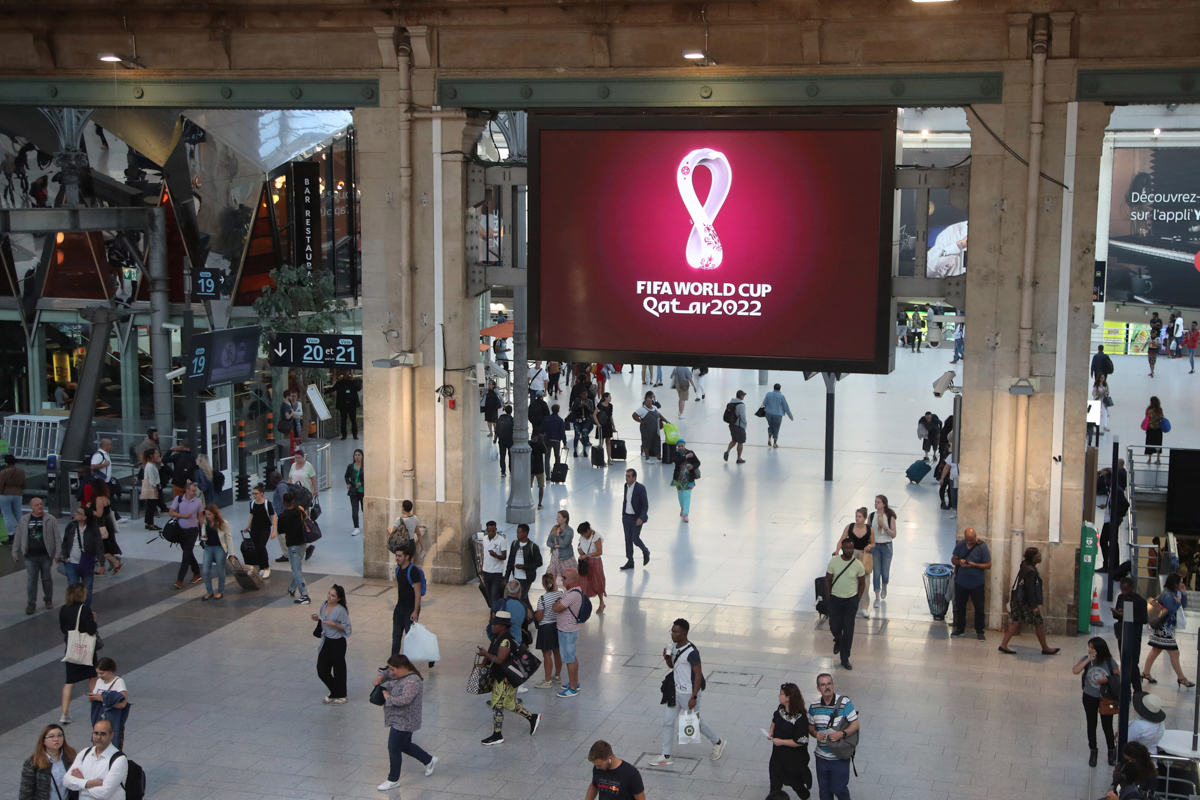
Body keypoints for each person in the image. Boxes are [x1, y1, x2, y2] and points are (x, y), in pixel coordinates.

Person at [649, 618, 725, 766]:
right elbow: (672, 666)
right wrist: (667, 658)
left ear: (684, 633)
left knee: (695, 722)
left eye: (676, 632)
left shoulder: (692, 652)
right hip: (675, 692)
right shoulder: (674, 647)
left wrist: (694, 696)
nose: (673, 634)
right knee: (668, 722)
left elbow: (698, 674)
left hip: (689, 693)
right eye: (672, 631)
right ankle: (666, 755)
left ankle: (718, 742)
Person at [373, 654, 437, 792]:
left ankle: (393, 779)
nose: (391, 673)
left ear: (401, 667)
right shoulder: (400, 674)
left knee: (394, 748)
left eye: (393, 669)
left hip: (405, 721)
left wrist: (388, 697)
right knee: (404, 745)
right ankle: (429, 760)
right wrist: (380, 677)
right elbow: (387, 674)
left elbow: (404, 700)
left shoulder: (412, 682)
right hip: (400, 719)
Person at [477, 610, 542, 745]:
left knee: (497, 705)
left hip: (505, 679)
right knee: (509, 704)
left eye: (494, 624)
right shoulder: (497, 637)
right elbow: (492, 654)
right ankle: (532, 718)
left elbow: (499, 659)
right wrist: (483, 663)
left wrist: (484, 654)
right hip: (504, 677)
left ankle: (497, 735)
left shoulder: (506, 641)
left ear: (502, 627)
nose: (492, 626)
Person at [998, 547, 1060, 655]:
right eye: (1038, 556)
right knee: (1039, 623)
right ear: (1033, 558)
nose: (1041, 557)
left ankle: (1004, 645)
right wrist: (1034, 607)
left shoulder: (1024, 564)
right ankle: (1045, 648)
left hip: (1017, 599)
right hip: (1026, 602)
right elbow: (1030, 590)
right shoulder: (1031, 571)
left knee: (1015, 622)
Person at [808, 673, 859, 800]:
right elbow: (810, 727)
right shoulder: (814, 706)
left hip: (839, 756)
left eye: (829, 684)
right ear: (818, 688)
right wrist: (815, 734)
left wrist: (842, 733)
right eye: (823, 685)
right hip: (821, 757)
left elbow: (855, 724)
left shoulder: (845, 703)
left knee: (839, 789)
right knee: (824, 791)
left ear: (833, 685)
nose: (827, 687)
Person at [1074, 636, 1119, 767]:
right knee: (1091, 724)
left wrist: (1107, 679)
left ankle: (1111, 750)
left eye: (1092, 648)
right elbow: (1075, 670)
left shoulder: (1110, 662)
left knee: (1107, 725)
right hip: (1089, 696)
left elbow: (1117, 676)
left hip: (1105, 698)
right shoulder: (1087, 660)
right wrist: (1087, 659)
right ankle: (1093, 751)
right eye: (1089, 647)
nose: (1090, 650)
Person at [1142, 572, 1193, 688]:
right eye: (1180, 582)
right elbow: (1170, 610)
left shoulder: (1174, 593)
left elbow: (1183, 605)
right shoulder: (1168, 595)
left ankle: (1146, 672)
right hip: (1164, 629)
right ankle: (1182, 678)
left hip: (1166, 628)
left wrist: (1183, 594)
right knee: (1175, 653)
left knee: (1156, 650)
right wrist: (1178, 602)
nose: (1182, 584)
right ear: (1175, 583)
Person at [13, 497, 60, 616]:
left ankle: (48, 599)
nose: (40, 506)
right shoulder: (24, 520)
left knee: (46, 578)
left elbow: (57, 538)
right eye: (37, 505)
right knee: (31, 579)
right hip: (30, 556)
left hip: (45, 555)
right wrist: (15, 552)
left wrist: (58, 554)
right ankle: (31, 603)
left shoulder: (51, 519)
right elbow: (18, 537)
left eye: (41, 504)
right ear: (32, 507)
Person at [59, 581, 97, 726]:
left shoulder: (63, 609)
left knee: (69, 681)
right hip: (86, 649)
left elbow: (63, 629)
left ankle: (64, 713)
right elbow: (91, 630)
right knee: (92, 676)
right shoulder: (85, 610)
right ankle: (95, 706)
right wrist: (94, 620)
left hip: (71, 648)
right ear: (80, 594)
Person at [825, 538, 866, 670]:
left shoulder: (858, 564)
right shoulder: (834, 562)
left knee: (848, 630)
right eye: (847, 548)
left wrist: (856, 599)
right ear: (842, 548)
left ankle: (845, 658)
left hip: (850, 601)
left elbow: (862, 583)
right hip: (835, 599)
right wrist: (829, 597)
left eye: (851, 548)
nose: (849, 550)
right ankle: (838, 638)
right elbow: (828, 580)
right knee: (834, 625)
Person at [62, 719, 127, 800]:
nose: (98, 737)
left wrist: (80, 786)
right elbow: (66, 780)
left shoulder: (119, 759)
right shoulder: (84, 753)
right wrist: (89, 783)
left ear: (111, 735)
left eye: (103, 734)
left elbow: (104, 793)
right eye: (96, 733)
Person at [768, 683, 812, 799]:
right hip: (777, 757)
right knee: (774, 786)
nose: (779, 695)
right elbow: (775, 719)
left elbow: (801, 741)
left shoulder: (801, 718)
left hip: (793, 760)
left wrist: (781, 742)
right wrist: (771, 731)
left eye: (781, 694)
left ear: (789, 697)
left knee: (798, 785)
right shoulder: (781, 708)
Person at [949, 527, 991, 641]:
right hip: (961, 582)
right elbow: (954, 559)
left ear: (975, 537)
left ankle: (980, 631)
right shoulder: (961, 544)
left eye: (971, 541)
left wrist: (975, 565)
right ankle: (959, 628)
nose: (969, 543)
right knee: (960, 606)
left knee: (979, 608)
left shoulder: (982, 546)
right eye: (968, 540)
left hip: (977, 583)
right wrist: (959, 562)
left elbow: (988, 565)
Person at [313, 584, 352, 704]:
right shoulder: (324, 604)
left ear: (338, 598)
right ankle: (335, 691)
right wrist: (318, 618)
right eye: (329, 593)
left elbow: (347, 628)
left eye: (333, 595)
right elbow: (323, 618)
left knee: (338, 669)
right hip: (326, 640)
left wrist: (334, 625)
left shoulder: (340, 610)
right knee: (322, 669)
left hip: (337, 642)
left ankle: (342, 694)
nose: (329, 596)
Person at [833, 507, 873, 618]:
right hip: (851, 554)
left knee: (865, 581)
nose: (857, 518)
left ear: (864, 518)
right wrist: (837, 550)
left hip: (864, 555)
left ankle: (864, 607)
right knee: (850, 580)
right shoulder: (850, 527)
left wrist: (869, 546)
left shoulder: (869, 529)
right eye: (856, 516)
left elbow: (873, 543)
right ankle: (850, 605)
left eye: (860, 516)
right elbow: (842, 539)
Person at [19, 723, 76, 800]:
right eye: (51, 736)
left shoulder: (71, 756)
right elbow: (26, 791)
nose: (56, 739)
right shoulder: (32, 762)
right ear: (43, 741)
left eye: (59, 735)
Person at [552, 569, 585, 697]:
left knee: (569, 659)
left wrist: (557, 603)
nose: (562, 579)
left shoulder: (572, 595)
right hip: (569, 629)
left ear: (572, 579)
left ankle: (572, 688)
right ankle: (575, 682)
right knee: (571, 657)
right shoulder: (573, 592)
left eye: (564, 577)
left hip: (567, 630)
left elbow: (557, 607)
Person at [61, 508, 103, 606]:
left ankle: (85, 610)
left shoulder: (93, 528)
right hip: (71, 563)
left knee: (87, 588)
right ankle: (73, 610)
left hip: (87, 562)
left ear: (84, 517)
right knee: (72, 588)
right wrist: (66, 557)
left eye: (78, 513)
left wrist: (102, 562)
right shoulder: (71, 526)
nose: (75, 513)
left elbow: (99, 545)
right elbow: (65, 542)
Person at [1112, 575, 1147, 691]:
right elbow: (1117, 615)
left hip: (1134, 635)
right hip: (1122, 633)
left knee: (1132, 664)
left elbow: (1144, 619)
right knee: (1124, 662)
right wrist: (1117, 613)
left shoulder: (1140, 601)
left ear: (1132, 587)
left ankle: (1137, 689)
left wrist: (1129, 616)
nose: (1124, 592)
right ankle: (1125, 690)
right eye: (1122, 589)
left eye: (1126, 589)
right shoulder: (1121, 597)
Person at [87, 657, 129, 750]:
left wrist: (103, 699)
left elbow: (123, 704)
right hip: (99, 718)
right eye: (97, 673)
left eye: (102, 673)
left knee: (113, 746)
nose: (99, 676)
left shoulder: (119, 682)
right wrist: (92, 698)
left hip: (113, 720)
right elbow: (96, 696)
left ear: (110, 671)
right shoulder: (99, 681)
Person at [168, 482, 204, 590]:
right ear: (187, 490)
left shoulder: (198, 502)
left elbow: (201, 518)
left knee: (186, 554)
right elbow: (171, 512)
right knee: (188, 553)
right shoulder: (178, 499)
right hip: (180, 531)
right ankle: (197, 573)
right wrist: (183, 516)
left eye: (195, 490)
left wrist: (203, 532)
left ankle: (180, 580)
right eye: (193, 490)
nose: (195, 492)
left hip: (192, 531)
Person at [277, 492, 311, 605]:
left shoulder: (282, 516)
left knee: (296, 570)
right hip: (302, 543)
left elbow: (280, 531)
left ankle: (304, 595)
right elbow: (306, 518)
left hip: (292, 545)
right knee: (297, 567)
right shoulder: (299, 511)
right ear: (293, 501)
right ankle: (292, 588)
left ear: (283, 503)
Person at [504, 523, 542, 617]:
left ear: (525, 533)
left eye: (519, 532)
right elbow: (510, 561)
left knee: (522, 597)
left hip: (527, 578)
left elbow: (539, 562)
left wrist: (524, 567)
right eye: (517, 532)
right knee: (524, 598)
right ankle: (531, 615)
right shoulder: (514, 544)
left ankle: (525, 616)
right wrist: (506, 576)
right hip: (516, 576)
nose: (517, 534)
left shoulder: (533, 546)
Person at [533, 572, 563, 690]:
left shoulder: (542, 599)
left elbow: (539, 617)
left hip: (546, 628)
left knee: (547, 655)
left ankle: (547, 680)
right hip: (558, 626)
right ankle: (557, 676)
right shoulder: (560, 594)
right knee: (557, 652)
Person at [392, 541, 422, 657]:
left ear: (407, 556)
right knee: (396, 638)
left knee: (410, 638)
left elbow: (418, 593)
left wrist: (415, 611)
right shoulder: (398, 570)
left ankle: (425, 655)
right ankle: (393, 664)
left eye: (400, 556)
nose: (397, 558)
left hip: (410, 609)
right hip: (399, 608)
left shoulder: (413, 571)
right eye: (396, 556)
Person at [198, 504, 232, 600]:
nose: (207, 516)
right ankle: (209, 591)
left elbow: (229, 538)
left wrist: (232, 553)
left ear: (215, 514)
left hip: (220, 548)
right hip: (208, 547)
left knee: (220, 570)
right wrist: (203, 537)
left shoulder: (223, 523)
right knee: (205, 571)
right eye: (206, 514)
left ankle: (220, 591)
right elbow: (203, 531)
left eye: (209, 514)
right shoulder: (206, 521)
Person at [243, 483, 276, 579]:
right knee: (257, 548)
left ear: (261, 493)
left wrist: (274, 531)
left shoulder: (267, 504)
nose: (254, 495)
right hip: (255, 528)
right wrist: (247, 527)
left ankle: (266, 567)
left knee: (261, 546)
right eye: (253, 493)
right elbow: (252, 515)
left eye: (256, 493)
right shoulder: (252, 504)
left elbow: (273, 517)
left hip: (265, 528)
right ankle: (262, 567)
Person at [868, 495, 896, 607]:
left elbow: (894, 534)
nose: (876, 504)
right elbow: (868, 530)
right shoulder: (871, 516)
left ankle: (884, 584)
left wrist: (885, 528)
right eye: (875, 502)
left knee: (885, 571)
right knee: (876, 571)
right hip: (875, 546)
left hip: (886, 546)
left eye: (878, 502)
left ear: (884, 504)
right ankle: (877, 596)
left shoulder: (890, 517)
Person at [620, 469, 650, 570]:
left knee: (635, 538)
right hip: (627, 517)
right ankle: (630, 560)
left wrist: (641, 517)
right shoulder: (625, 486)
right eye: (626, 476)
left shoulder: (640, 488)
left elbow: (645, 505)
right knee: (627, 539)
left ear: (634, 477)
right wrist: (623, 515)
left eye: (629, 476)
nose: (626, 478)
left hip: (636, 517)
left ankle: (645, 551)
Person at [576, 521, 607, 614]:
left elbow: (599, 551)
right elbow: (580, 547)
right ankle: (585, 604)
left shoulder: (596, 537)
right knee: (584, 583)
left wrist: (587, 555)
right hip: (585, 563)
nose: (583, 535)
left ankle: (601, 602)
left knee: (597, 582)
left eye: (584, 533)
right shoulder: (582, 537)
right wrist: (581, 552)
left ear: (589, 530)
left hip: (595, 562)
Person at [476, 521, 508, 608]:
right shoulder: (485, 539)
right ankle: (495, 608)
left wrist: (496, 555)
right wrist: (482, 567)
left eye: (493, 531)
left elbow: (504, 556)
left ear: (496, 529)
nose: (491, 533)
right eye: (489, 531)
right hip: (487, 571)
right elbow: (484, 555)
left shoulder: (501, 540)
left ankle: (493, 615)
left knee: (494, 595)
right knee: (489, 594)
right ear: (486, 530)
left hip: (496, 572)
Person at [670, 439, 701, 524]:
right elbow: (676, 461)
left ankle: (686, 514)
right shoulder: (676, 454)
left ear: (684, 445)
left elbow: (698, 463)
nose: (680, 447)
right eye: (679, 446)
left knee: (687, 495)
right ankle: (682, 507)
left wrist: (692, 466)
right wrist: (686, 457)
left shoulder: (691, 452)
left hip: (689, 479)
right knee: (680, 495)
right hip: (678, 479)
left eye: (682, 446)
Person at [545, 509, 576, 584]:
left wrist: (558, 536)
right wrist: (555, 546)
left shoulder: (569, 531)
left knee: (567, 577)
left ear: (565, 519)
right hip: (555, 557)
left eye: (559, 517)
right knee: (551, 577)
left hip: (565, 558)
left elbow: (563, 544)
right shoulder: (554, 528)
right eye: (557, 517)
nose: (557, 518)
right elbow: (548, 542)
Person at [0, 452, 27, 537]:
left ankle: (11, 535)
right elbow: (24, 485)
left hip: (5, 495)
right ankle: (24, 534)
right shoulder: (21, 472)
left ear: (6, 463)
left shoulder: (3, 472)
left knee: (7, 516)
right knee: (19, 514)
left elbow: (0, 485)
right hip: (18, 494)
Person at [633, 392, 664, 463]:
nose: (648, 402)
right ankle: (647, 458)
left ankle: (658, 458)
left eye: (650, 401)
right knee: (647, 442)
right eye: (647, 401)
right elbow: (634, 415)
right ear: (644, 401)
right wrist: (641, 421)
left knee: (657, 442)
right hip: (646, 430)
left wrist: (666, 421)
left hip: (655, 429)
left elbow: (660, 415)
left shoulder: (655, 408)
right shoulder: (641, 409)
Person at [762, 384, 794, 448]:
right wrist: (790, 416)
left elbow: (764, 403)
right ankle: (775, 443)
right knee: (776, 428)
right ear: (780, 388)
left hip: (768, 413)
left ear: (773, 388)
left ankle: (769, 438)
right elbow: (786, 407)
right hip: (778, 414)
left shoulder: (768, 394)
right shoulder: (781, 396)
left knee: (770, 426)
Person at [331, 371, 361, 440]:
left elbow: (358, 388)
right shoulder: (340, 383)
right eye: (345, 375)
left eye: (348, 375)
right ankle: (344, 435)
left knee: (353, 420)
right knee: (343, 420)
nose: (347, 377)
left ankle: (355, 435)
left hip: (352, 405)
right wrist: (325, 391)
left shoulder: (352, 383)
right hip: (343, 405)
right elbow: (333, 388)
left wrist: (353, 380)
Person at [723, 390, 748, 464]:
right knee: (740, 442)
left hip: (732, 424)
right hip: (739, 426)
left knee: (734, 440)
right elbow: (743, 416)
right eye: (743, 395)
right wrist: (745, 423)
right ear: (741, 396)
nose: (744, 397)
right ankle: (739, 458)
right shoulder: (741, 405)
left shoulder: (731, 402)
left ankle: (727, 451)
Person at [140, 448, 162, 531]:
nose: (157, 455)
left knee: (150, 506)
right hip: (152, 488)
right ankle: (150, 524)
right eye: (155, 453)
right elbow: (152, 480)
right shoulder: (150, 466)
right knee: (151, 506)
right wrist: (155, 490)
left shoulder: (151, 465)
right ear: (151, 455)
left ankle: (148, 522)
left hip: (152, 487)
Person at [344, 448, 364, 536]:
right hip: (354, 491)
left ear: (362, 456)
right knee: (355, 510)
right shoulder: (350, 466)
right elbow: (346, 476)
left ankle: (367, 525)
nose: (357, 457)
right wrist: (348, 483)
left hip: (363, 491)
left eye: (359, 455)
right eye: (355, 455)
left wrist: (362, 483)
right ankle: (356, 527)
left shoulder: (365, 466)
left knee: (365, 510)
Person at [593, 392, 617, 464]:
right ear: (605, 398)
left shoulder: (610, 406)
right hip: (601, 425)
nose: (610, 398)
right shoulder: (600, 405)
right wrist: (598, 423)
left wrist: (613, 425)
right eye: (609, 396)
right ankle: (601, 458)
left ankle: (609, 458)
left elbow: (610, 416)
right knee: (601, 442)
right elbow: (594, 414)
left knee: (608, 442)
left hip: (608, 425)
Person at [1143, 396, 1166, 465]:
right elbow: (1162, 417)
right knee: (1158, 444)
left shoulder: (1149, 409)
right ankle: (1158, 459)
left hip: (1150, 429)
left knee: (1150, 444)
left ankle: (1149, 459)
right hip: (1158, 430)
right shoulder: (1159, 409)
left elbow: (1147, 418)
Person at [544, 403, 567, 470]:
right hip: (556, 440)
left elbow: (543, 428)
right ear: (558, 410)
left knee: (547, 457)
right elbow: (562, 432)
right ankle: (556, 471)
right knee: (557, 456)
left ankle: (547, 474)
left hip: (548, 439)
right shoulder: (560, 420)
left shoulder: (547, 418)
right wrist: (565, 443)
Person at [530, 432, 547, 509]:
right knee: (541, 486)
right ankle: (540, 504)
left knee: (528, 487)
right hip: (539, 468)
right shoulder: (540, 445)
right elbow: (546, 451)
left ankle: (529, 502)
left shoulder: (529, 444)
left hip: (530, 469)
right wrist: (542, 440)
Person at [496, 404, 514, 477]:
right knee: (510, 456)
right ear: (511, 411)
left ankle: (503, 471)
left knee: (502, 456)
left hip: (501, 439)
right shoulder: (512, 419)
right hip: (509, 440)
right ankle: (511, 470)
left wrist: (495, 438)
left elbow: (496, 429)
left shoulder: (500, 418)